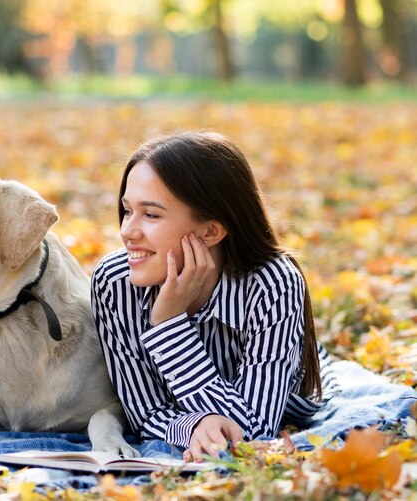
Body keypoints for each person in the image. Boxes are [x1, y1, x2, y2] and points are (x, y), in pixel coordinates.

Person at [91, 131, 339, 462]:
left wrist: (168, 324)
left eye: (150, 214)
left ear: (210, 232)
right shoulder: (113, 283)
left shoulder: (274, 284)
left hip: (291, 380)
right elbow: (144, 411)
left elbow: (254, 428)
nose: (127, 232)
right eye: (127, 211)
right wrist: (195, 426)